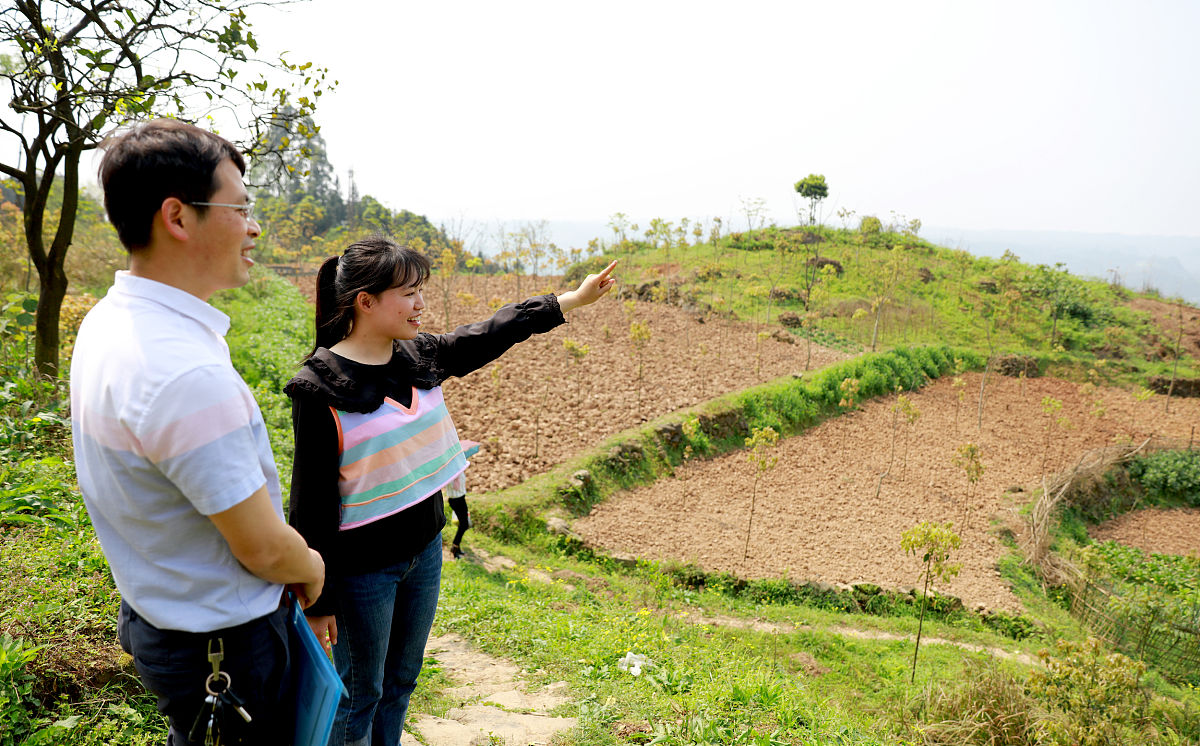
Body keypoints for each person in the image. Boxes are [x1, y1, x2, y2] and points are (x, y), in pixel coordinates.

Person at [285, 236, 616, 745]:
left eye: (422, 290)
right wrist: (318, 600)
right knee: (358, 693)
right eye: (409, 293)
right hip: (363, 572)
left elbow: (490, 332)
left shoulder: (419, 357)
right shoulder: (321, 387)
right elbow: (311, 505)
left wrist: (571, 300)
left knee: (400, 682)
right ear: (365, 301)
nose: (421, 304)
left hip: (425, 552)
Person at [70, 119, 325, 746]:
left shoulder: (110, 321)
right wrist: (314, 569)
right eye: (240, 208)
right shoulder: (184, 375)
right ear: (178, 218)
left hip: (162, 620)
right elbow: (264, 550)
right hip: (223, 651)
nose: (254, 227)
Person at [445, 439, 481, 558]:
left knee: (463, 523)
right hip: (456, 500)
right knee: (464, 524)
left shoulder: (459, 470)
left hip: (460, 498)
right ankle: (454, 547)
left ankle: (456, 547)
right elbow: (453, 487)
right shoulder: (450, 472)